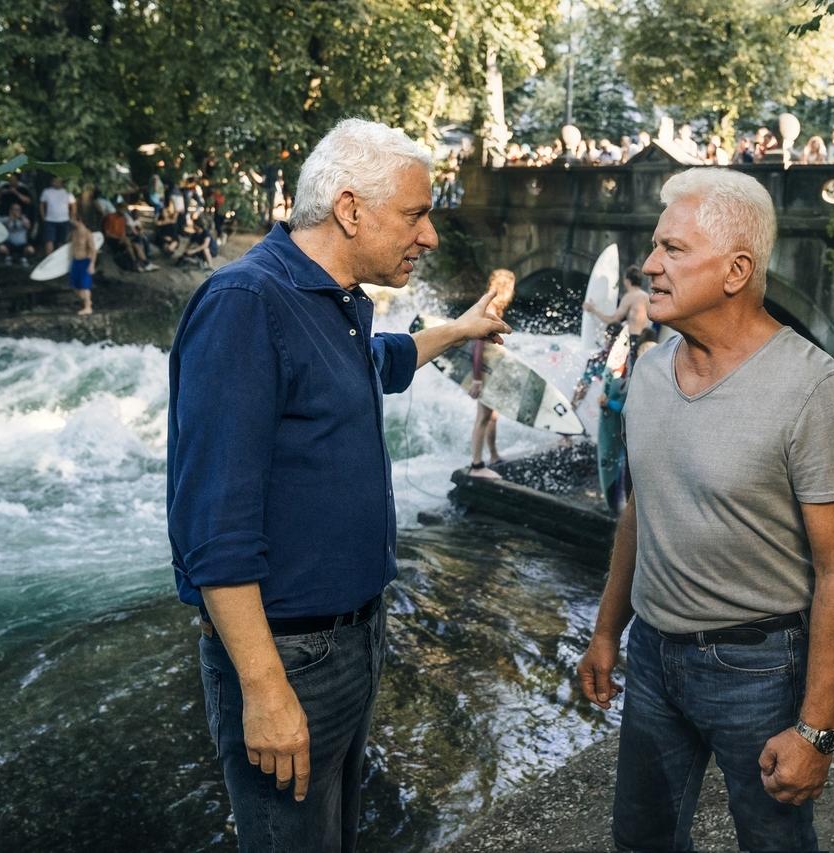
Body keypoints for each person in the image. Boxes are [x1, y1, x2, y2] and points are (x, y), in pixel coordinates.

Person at [166, 117, 509, 853]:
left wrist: (461, 329)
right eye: (415, 215)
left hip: (351, 639)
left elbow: (379, 364)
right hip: (289, 657)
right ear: (350, 209)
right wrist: (264, 688)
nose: (430, 237)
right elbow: (212, 528)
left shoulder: (331, 301)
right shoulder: (246, 303)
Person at [577, 167, 834, 852]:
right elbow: (641, 511)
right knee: (641, 839)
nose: (651, 264)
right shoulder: (652, 370)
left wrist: (817, 729)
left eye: (673, 249)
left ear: (737, 270)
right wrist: (607, 631)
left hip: (759, 669)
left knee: (774, 842)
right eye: (655, 246)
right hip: (653, 656)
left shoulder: (813, 392)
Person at [465, 269, 517, 477]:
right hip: (484, 372)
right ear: (506, 287)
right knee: (483, 417)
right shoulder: (490, 308)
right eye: (512, 287)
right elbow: (478, 344)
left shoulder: (492, 307)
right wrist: (477, 379)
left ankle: (493, 455)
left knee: (492, 416)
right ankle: (476, 465)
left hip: (490, 369)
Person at [584, 264, 650, 371]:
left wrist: (593, 310)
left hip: (632, 340)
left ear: (627, 281)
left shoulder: (630, 296)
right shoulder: (646, 297)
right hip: (646, 339)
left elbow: (613, 320)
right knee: (636, 372)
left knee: (597, 364)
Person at [40, 176, 75, 256]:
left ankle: (60, 259)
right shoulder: (46, 191)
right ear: (51, 182)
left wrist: (71, 217)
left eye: (58, 181)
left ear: (62, 182)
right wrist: (43, 217)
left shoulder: (67, 192)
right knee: (49, 241)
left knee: (62, 242)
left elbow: (73, 205)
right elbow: (41, 205)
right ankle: (49, 260)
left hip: (64, 220)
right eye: (55, 181)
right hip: (50, 220)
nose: (56, 183)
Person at [69, 219, 97, 315]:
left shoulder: (88, 234)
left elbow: (93, 250)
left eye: (73, 219)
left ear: (79, 221)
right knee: (75, 286)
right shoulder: (74, 232)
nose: (71, 221)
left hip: (85, 261)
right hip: (75, 261)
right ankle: (88, 301)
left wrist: (92, 264)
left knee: (85, 285)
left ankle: (88, 307)